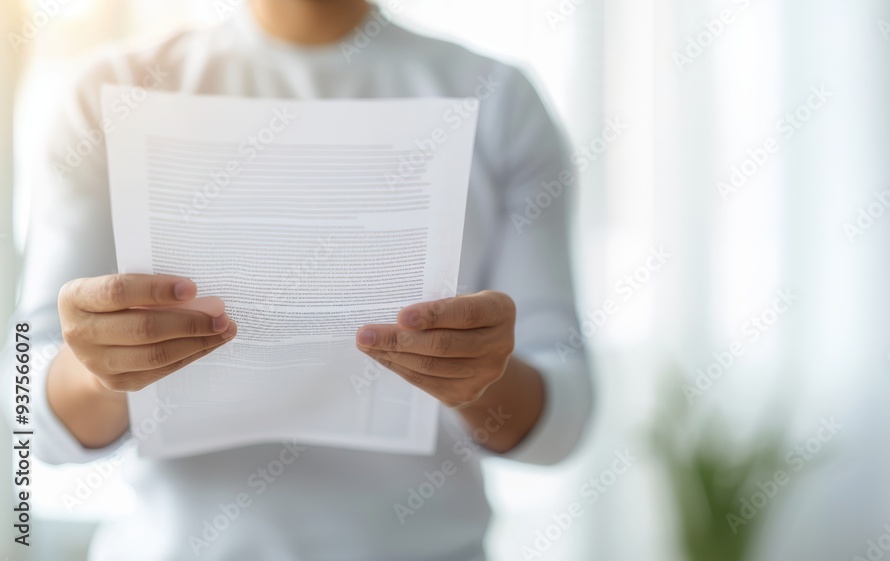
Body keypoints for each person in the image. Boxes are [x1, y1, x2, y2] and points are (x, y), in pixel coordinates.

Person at [2, 1, 592, 559]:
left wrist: (485, 378)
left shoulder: (498, 99)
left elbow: (564, 419)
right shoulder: (108, 96)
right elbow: (22, 398)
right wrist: (98, 373)